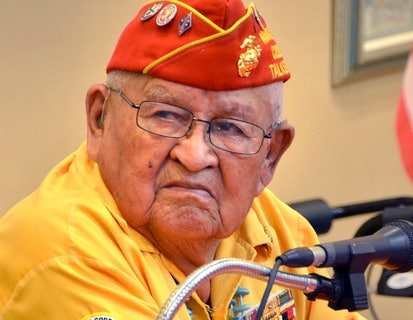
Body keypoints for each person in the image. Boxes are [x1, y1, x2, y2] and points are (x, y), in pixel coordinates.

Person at [0, 1, 365, 319]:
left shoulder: (279, 231)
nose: (194, 156)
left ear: (271, 156)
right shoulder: (66, 257)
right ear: (100, 119)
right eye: (165, 116)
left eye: (230, 128)